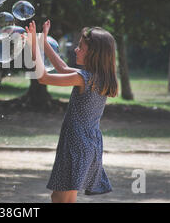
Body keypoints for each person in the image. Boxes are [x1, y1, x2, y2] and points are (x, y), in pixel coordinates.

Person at [24, 20, 118, 203]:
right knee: (61, 197)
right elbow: (63, 68)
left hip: (75, 143)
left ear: (93, 53)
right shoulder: (99, 78)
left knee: (62, 199)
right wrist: (43, 43)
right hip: (88, 143)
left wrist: (33, 47)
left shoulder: (85, 78)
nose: (76, 49)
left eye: (81, 47)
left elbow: (43, 78)